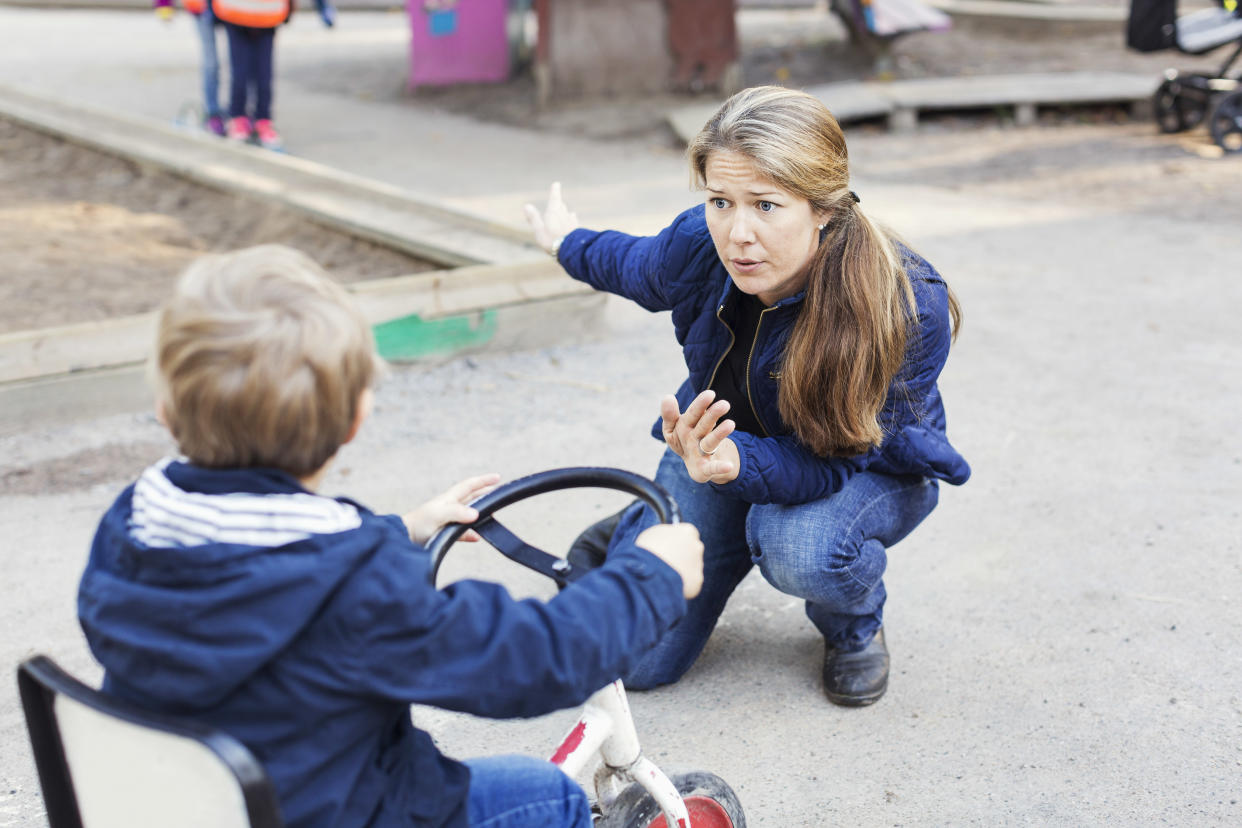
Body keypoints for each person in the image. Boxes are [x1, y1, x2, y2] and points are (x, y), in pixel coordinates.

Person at [77, 245, 704, 827]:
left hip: (182, 804)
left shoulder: (133, 525)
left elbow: (264, 557)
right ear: (357, 418)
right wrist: (651, 578)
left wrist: (400, 529)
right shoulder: (355, 587)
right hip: (337, 810)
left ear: (165, 408)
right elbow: (530, 660)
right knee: (546, 794)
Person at [524, 85, 970, 708]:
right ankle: (638, 525)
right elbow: (635, 266)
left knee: (797, 547)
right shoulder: (702, 242)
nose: (737, 234)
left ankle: (854, 625)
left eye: (766, 205)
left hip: (860, 468)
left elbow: (837, 460)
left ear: (823, 208)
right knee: (639, 662)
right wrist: (564, 243)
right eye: (719, 201)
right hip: (721, 446)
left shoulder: (904, 305)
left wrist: (741, 467)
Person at [210, 0, 289, 149]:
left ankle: (263, 120)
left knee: (264, 74)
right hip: (236, 12)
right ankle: (238, 118)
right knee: (240, 73)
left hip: (267, 15)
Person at [154, 0, 226, 136]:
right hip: (202, 8)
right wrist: (164, 4)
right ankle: (213, 113)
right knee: (211, 63)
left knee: (238, 62)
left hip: (231, 7)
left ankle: (239, 115)